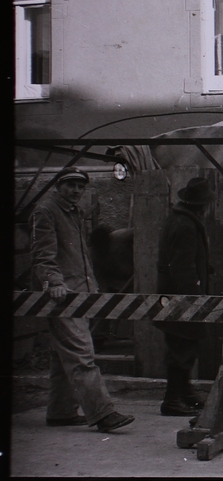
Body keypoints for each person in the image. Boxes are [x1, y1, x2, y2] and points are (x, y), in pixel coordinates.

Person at [30, 167, 136, 432]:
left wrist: (92, 285)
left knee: (62, 355)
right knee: (82, 354)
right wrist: (53, 282)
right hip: (62, 295)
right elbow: (43, 254)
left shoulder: (76, 213)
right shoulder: (46, 211)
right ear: (58, 186)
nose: (76, 191)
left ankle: (61, 411)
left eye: (80, 186)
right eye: (70, 186)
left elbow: (82, 255)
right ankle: (103, 414)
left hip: (80, 293)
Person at [156, 177, 213, 417]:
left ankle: (185, 392)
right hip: (181, 299)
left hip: (176, 297)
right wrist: (193, 300)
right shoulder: (185, 226)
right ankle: (171, 400)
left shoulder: (181, 220)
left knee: (186, 346)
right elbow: (182, 269)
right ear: (202, 206)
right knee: (181, 348)